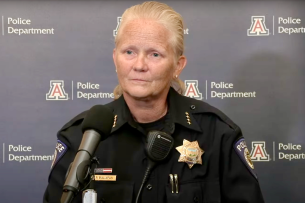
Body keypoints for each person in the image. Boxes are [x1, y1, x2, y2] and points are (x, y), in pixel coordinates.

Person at [44, 1, 265, 203]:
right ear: (115, 58)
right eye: (129, 51)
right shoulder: (80, 137)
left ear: (178, 65)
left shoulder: (218, 135)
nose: (139, 65)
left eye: (154, 55)